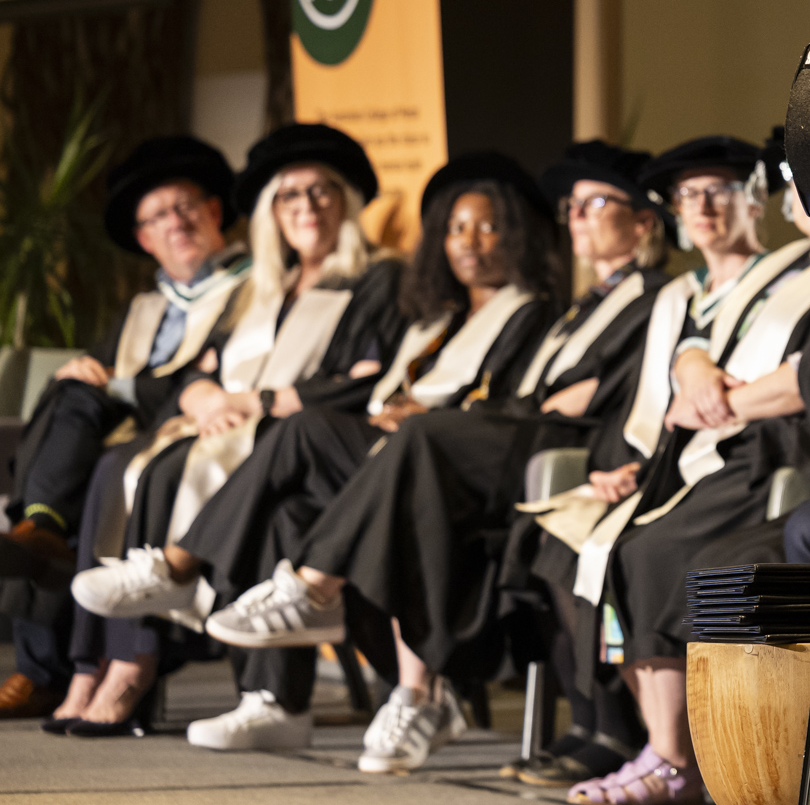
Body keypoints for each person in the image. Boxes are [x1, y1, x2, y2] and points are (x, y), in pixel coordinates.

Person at [98, 142, 673, 765]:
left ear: (642, 222)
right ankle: (272, 687)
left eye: (488, 227)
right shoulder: (485, 314)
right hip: (439, 451)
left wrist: (431, 415)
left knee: (370, 437)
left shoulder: (588, 304)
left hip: (497, 461)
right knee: (299, 471)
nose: (470, 242)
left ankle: (286, 592)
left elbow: (568, 398)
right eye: (455, 228)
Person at [56, 124, 407, 738]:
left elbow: (369, 383)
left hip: (328, 451)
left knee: (267, 496)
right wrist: (203, 394)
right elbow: (199, 366)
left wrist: (260, 401)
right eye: (289, 196)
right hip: (259, 439)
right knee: (160, 469)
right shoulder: (267, 288)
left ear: (347, 203)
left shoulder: (378, 279)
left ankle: (182, 590)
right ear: (272, 212)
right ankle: (258, 693)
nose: (306, 208)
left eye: (321, 192)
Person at [564, 148, 810, 805]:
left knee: (660, 553)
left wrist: (718, 403)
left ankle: (675, 756)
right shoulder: (799, 269)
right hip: (728, 438)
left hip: (784, 450)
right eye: (803, 181)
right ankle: (653, 744)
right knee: (611, 548)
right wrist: (696, 367)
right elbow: (710, 333)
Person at [0, 136, 248, 721]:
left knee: (83, 469)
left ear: (214, 211)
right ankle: (41, 533)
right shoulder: (143, 307)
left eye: (185, 207)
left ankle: (45, 652)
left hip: (192, 429)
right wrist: (81, 372)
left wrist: (117, 384)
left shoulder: (249, 288)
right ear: (143, 239)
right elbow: (107, 372)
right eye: (158, 217)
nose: (175, 223)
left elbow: (210, 377)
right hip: (122, 432)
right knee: (70, 392)